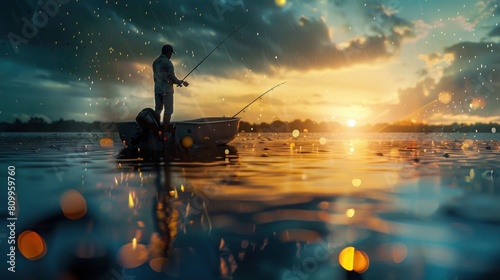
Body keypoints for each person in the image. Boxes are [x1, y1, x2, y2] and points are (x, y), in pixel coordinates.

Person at [153, 44, 189, 140]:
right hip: (167, 91)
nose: (171, 55)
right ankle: (165, 132)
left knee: (158, 110)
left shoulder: (155, 62)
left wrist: (177, 82)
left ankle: (156, 131)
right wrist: (180, 82)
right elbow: (171, 77)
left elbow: (155, 78)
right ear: (168, 52)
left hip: (157, 90)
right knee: (168, 111)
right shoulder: (168, 63)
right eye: (171, 53)